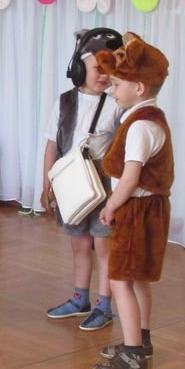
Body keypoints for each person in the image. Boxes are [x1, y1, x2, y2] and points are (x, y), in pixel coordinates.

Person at [92, 32, 173, 369]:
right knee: (138, 278)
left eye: (116, 84)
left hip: (136, 211)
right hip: (150, 210)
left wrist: (110, 206)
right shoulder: (152, 117)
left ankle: (132, 353)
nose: (111, 90)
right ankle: (141, 338)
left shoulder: (139, 127)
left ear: (138, 87)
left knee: (120, 279)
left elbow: (129, 178)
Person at [42, 28, 124, 331]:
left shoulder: (116, 104)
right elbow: (52, 144)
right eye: (96, 68)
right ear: (79, 68)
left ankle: (104, 305)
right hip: (70, 181)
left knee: (104, 248)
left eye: (109, 69)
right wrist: (47, 183)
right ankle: (80, 299)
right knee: (79, 246)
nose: (103, 75)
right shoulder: (63, 102)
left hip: (103, 182)